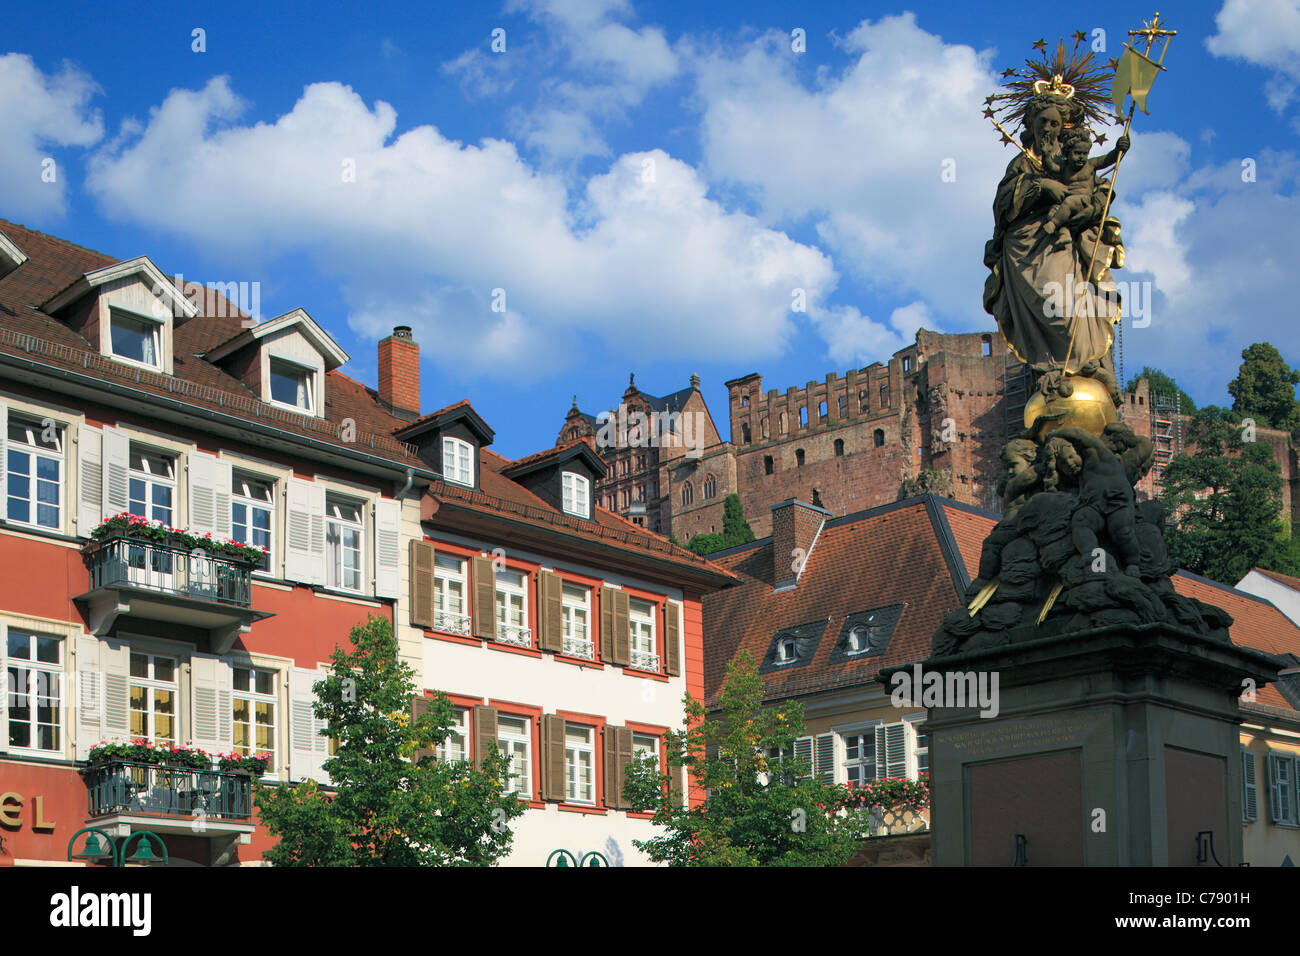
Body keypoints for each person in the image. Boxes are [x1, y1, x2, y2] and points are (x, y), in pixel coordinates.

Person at [983, 93, 1124, 382]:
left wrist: (1091, 206)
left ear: (1064, 126)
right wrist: (1042, 186)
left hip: (1066, 242)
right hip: (1027, 247)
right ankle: (1049, 364)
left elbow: (1100, 191)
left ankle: (1083, 363)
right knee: (1052, 303)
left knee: (1069, 306)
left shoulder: (1075, 159)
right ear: (1032, 124)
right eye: (1042, 122)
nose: (1048, 128)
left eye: (1054, 123)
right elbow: (1002, 204)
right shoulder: (1022, 163)